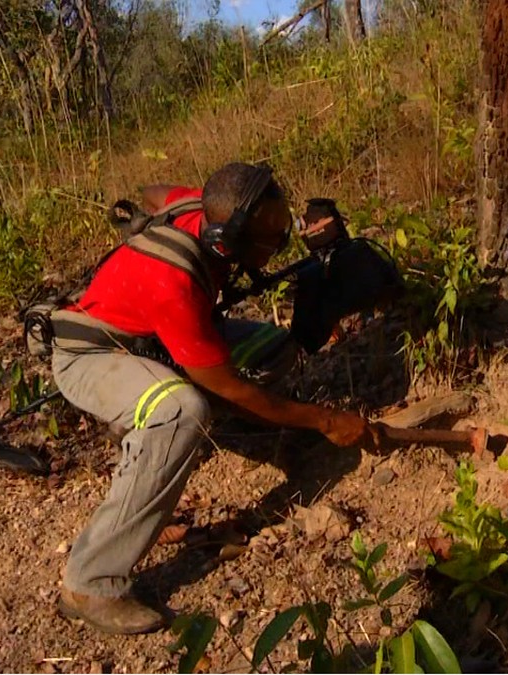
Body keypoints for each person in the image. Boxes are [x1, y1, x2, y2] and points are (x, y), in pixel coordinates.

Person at [48, 162, 377, 635]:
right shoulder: (174, 284)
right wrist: (326, 421)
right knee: (182, 411)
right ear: (229, 241)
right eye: (273, 233)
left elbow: (153, 189)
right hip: (91, 354)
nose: (284, 235)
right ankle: (90, 581)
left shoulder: (197, 206)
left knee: (273, 349)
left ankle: (202, 440)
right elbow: (231, 385)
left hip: (156, 339)